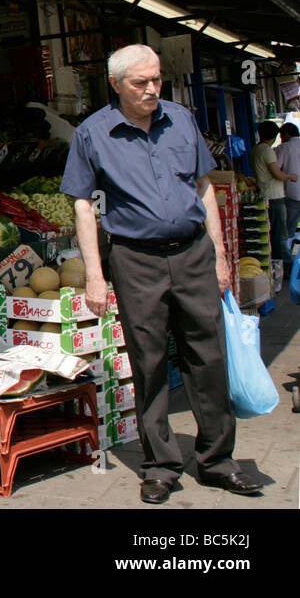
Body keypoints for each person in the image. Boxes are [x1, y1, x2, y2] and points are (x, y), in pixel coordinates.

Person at [61, 44, 263, 504]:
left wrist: (219, 256)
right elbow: (83, 205)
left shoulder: (181, 119)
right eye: (141, 83)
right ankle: (160, 466)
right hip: (136, 261)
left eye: (157, 80)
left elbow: (203, 186)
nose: (152, 89)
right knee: (148, 362)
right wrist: (95, 273)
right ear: (115, 84)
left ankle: (217, 461)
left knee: (208, 358)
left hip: (193, 254)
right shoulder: (92, 133)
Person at [250, 121, 296, 270]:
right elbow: (276, 174)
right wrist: (290, 176)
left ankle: (278, 266)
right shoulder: (267, 151)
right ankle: (286, 266)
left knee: (273, 233)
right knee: (280, 235)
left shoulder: (256, 149)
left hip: (264, 193)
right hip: (274, 196)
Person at [276, 122, 300, 285]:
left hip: (294, 193)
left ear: (285, 135)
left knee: (289, 232)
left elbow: (275, 169)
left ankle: (290, 267)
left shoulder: (284, 148)